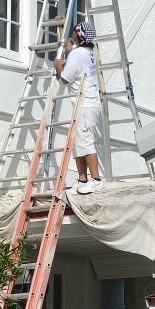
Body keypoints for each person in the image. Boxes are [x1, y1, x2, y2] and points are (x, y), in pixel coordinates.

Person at [55, 18, 102, 193]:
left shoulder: (77, 54)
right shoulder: (88, 52)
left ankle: (96, 180)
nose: (73, 33)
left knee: (86, 142)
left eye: (75, 31)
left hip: (85, 104)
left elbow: (65, 80)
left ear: (79, 35)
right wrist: (61, 28)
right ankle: (82, 181)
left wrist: (58, 67)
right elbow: (67, 46)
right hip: (87, 104)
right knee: (79, 143)